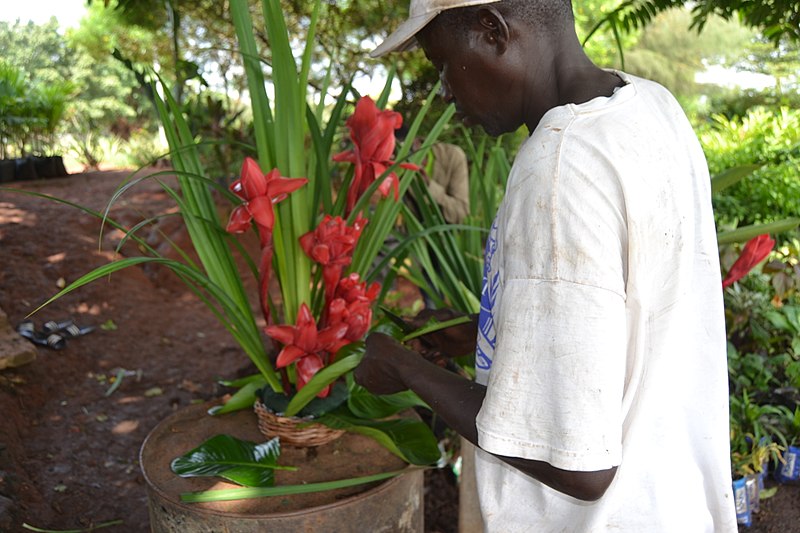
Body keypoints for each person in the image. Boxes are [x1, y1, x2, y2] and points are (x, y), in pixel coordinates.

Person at [354, 0, 738, 531]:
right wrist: (479, 334)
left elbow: (580, 466)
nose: (443, 91)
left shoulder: (560, 165)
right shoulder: (650, 106)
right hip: (670, 505)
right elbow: (626, 318)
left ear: (493, 31)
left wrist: (404, 369)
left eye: (443, 66)